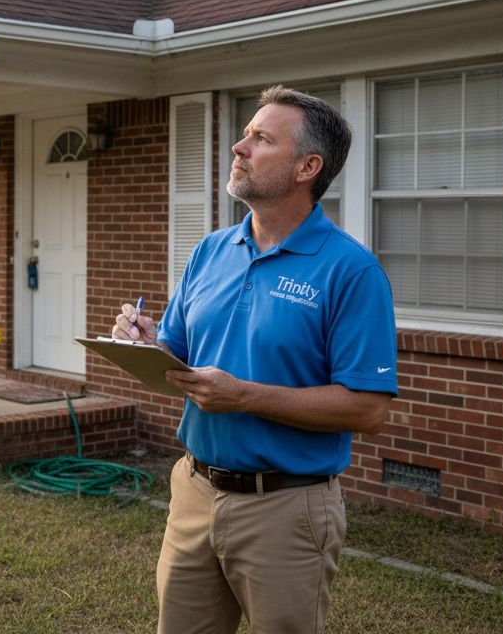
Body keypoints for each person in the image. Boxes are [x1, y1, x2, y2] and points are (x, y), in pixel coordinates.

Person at [113, 85, 398, 634]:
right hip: (194, 490)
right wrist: (147, 344)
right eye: (245, 134)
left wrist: (244, 396)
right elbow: (180, 361)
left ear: (307, 167)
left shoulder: (351, 271)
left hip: (286, 508)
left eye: (261, 139)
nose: (239, 147)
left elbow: (368, 408)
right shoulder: (211, 251)